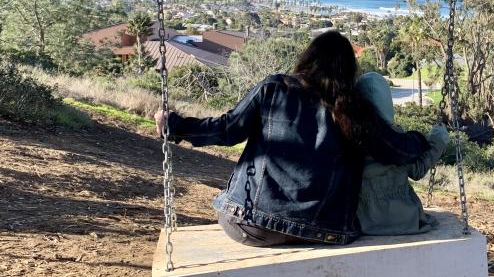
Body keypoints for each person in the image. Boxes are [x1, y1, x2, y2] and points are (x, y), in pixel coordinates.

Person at [154, 31, 432, 247]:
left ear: (307, 60)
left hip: (249, 225)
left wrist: (174, 125)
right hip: (324, 232)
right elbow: (400, 150)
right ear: (349, 71)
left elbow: (227, 130)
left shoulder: (274, 89)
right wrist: (424, 139)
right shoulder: (354, 110)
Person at [355, 72, 448, 235]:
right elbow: (417, 170)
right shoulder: (394, 138)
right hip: (405, 218)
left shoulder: (348, 136)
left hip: (363, 220)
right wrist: (437, 141)